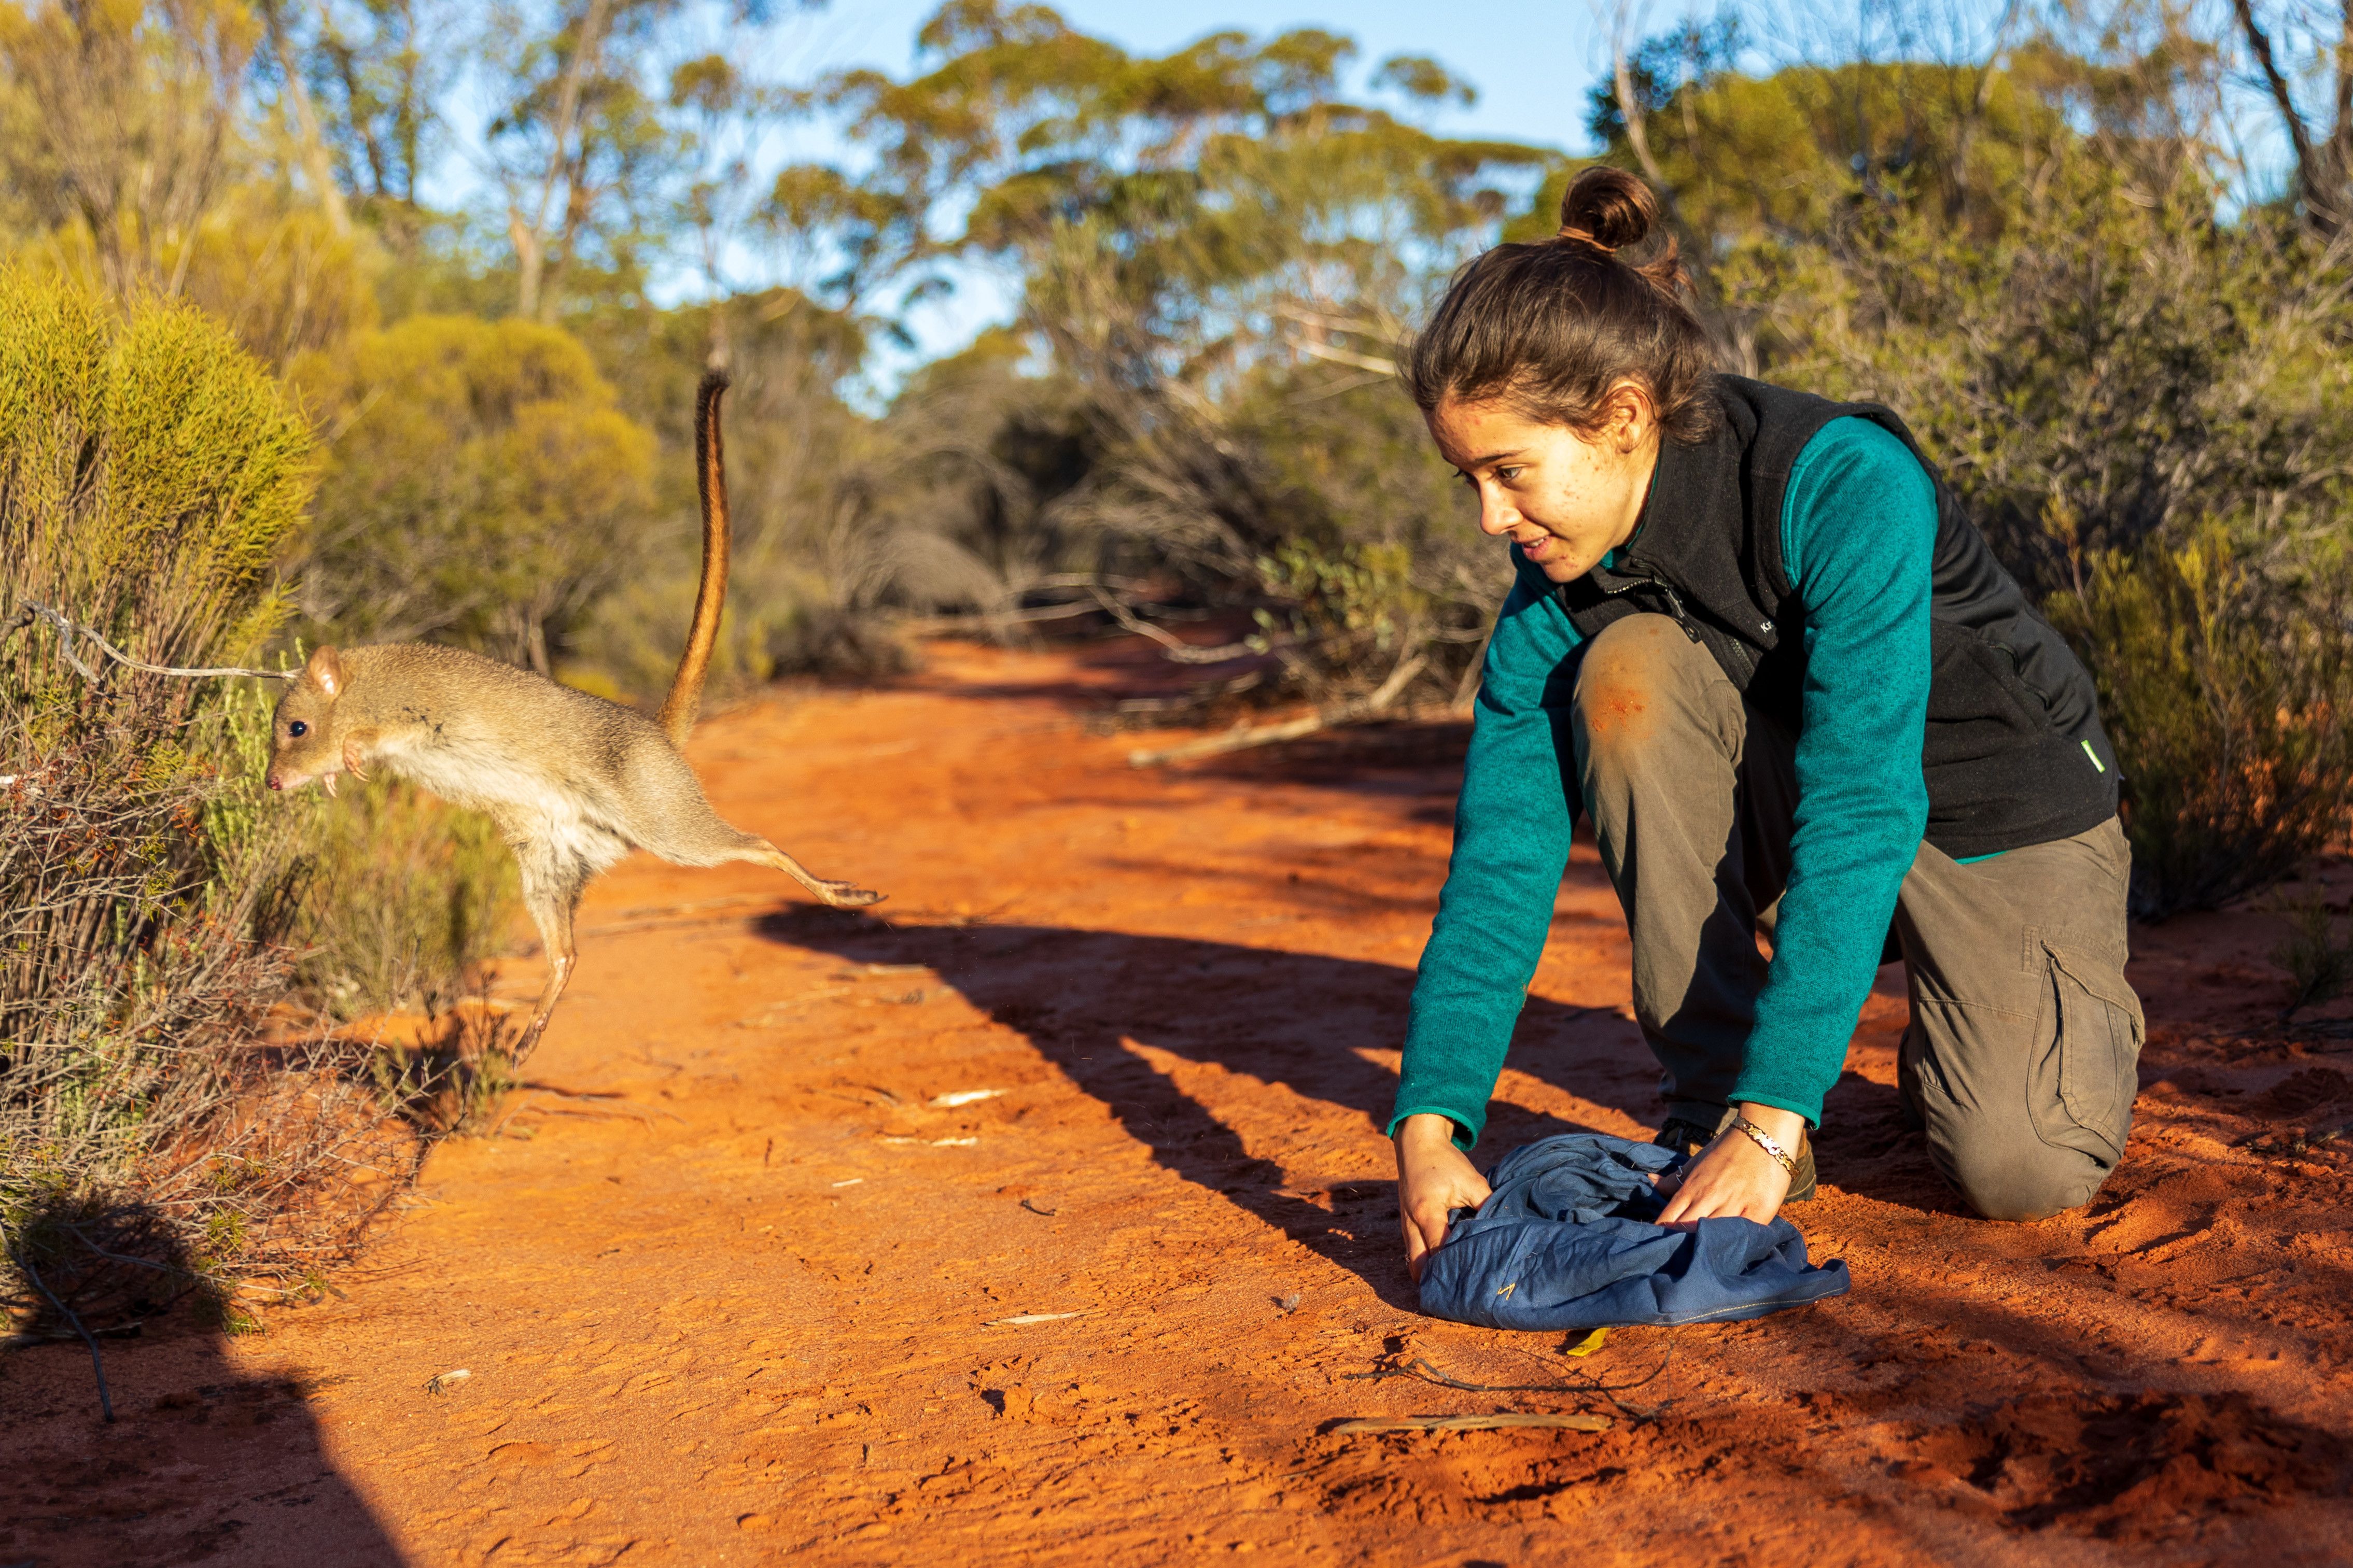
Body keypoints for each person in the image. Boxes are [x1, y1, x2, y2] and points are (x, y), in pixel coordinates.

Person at [1390, 166, 2145, 1281]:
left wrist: (1776, 1108)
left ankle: (1823, 1082)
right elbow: (1501, 858)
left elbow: (1864, 798)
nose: (1494, 520)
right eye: (1469, 483)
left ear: (1622, 417)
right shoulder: (1550, 595)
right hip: (1816, 796)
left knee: (2018, 1165)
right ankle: (1715, 1092)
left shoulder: (1839, 482)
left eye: (1509, 473)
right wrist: (1430, 1124)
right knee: (1627, 671)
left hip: (1998, 800)